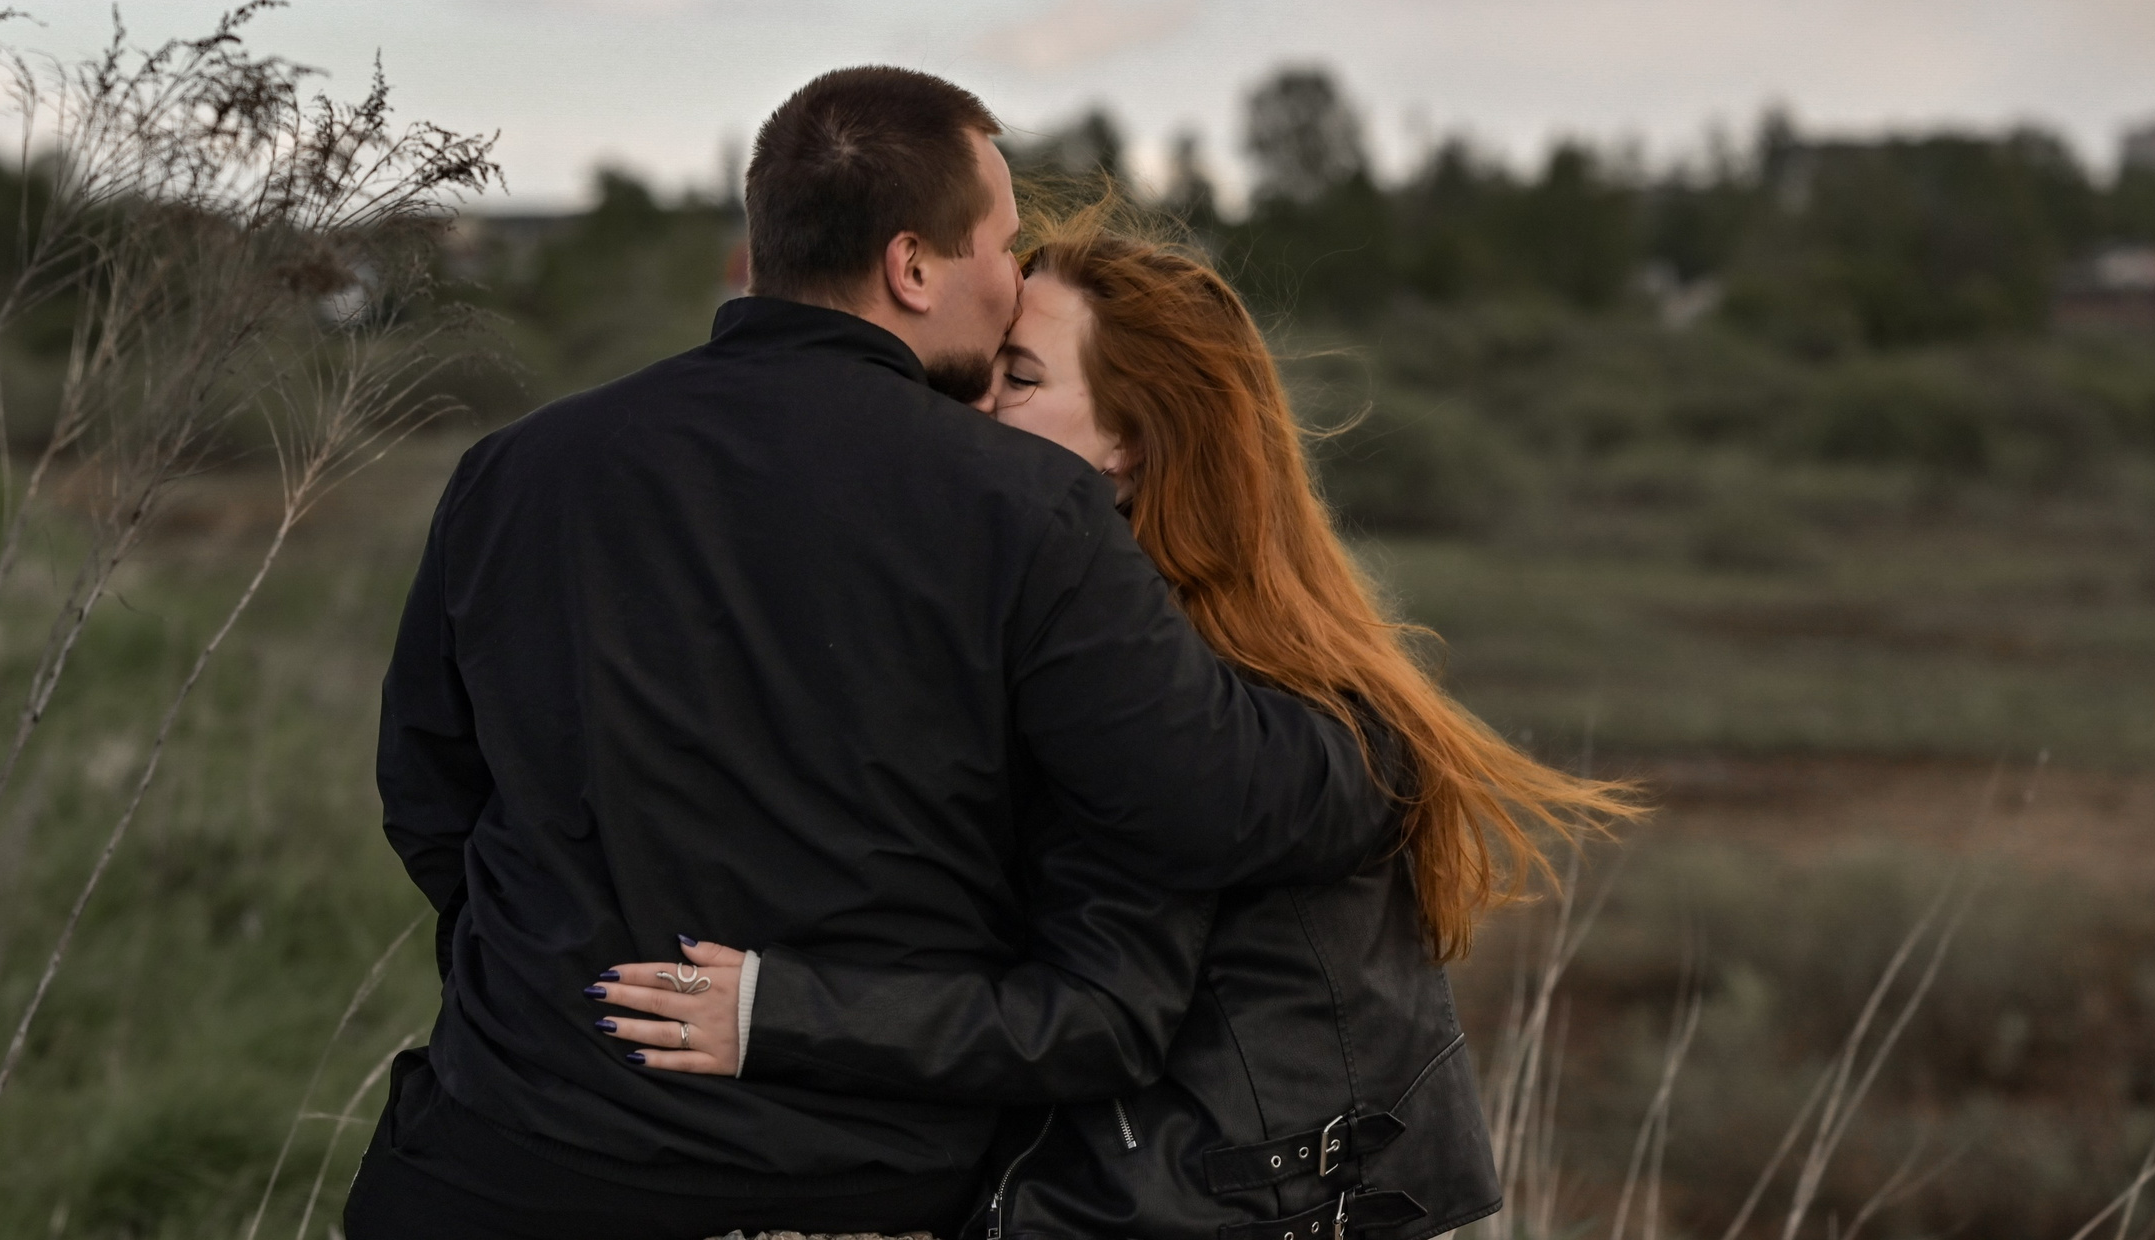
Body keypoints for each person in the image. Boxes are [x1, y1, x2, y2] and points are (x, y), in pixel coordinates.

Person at [349, 71, 1397, 1240]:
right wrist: (1379, 747)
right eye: (1001, 246)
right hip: (855, 1189)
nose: (1011, 284)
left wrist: (554, 984)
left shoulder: (517, 469)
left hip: (496, 1173)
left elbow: (430, 803)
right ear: (911, 266)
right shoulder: (1027, 511)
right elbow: (1202, 802)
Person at [588, 201, 1639, 1240]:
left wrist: (776, 1012)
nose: (971, 408)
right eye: (978, 372)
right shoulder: (1118, 643)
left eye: (1023, 380)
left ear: (1131, 444)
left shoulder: (1182, 690)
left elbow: (1092, 1016)